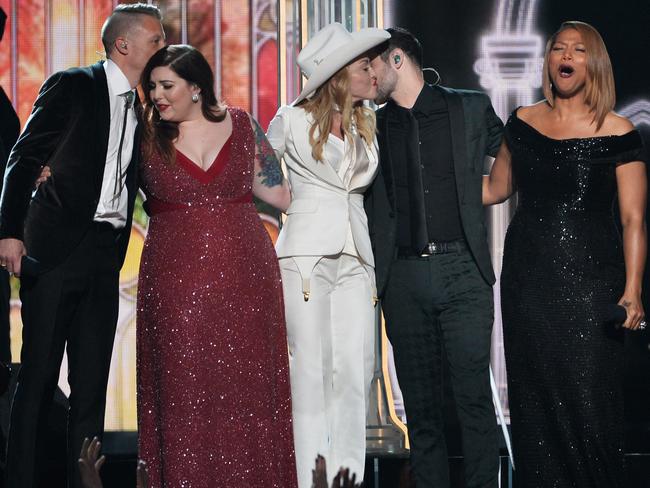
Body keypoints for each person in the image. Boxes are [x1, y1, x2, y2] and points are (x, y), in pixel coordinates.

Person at [0, 4, 164, 487]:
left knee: (90, 386)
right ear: (125, 45)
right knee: (38, 379)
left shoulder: (141, 105)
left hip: (104, 253)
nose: (164, 47)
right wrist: (10, 230)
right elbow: (24, 156)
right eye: (155, 39)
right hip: (55, 251)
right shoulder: (74, 85)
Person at [483, 21, 647, 487]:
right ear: (549, 60)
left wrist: (632, 291)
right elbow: (496, 188)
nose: (565, 55)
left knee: (590, 405)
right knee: (536, 409)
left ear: (592, 63)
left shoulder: (619, 131)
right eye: (558, 48)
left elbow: (634, 219)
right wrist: (433, 188)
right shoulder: (521, 122)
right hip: (528, 280)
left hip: (593, 282)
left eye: (577, 49)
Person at [137, 44, 296, 487]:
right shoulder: (145, 135)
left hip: (247, 280)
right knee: (183, 392)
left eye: (166, 86)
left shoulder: (243, 125)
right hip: (174, 284)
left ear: (196, 87)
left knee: (248, 393)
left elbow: (281, 195)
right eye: (152, 87)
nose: (157, 95)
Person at [365, 28, 503, 488]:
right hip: (402, 276)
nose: (369, 73)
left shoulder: (468, 107)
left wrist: (483, 193)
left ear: (398, 60)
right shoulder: (371, 124)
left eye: (374, 64)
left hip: (462, 270)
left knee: (473, 403)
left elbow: (516, 155)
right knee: (421, 411)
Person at [266, 23, 390, 487]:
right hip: (305, 258)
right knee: (311, 374)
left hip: (356, 257)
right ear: (338, 75)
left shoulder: (366, 123)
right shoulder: (291, 119)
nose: (374, 72)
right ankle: (308, 479)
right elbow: (253, 176)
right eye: (364, 66)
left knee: (356, 372)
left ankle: (347, 480)